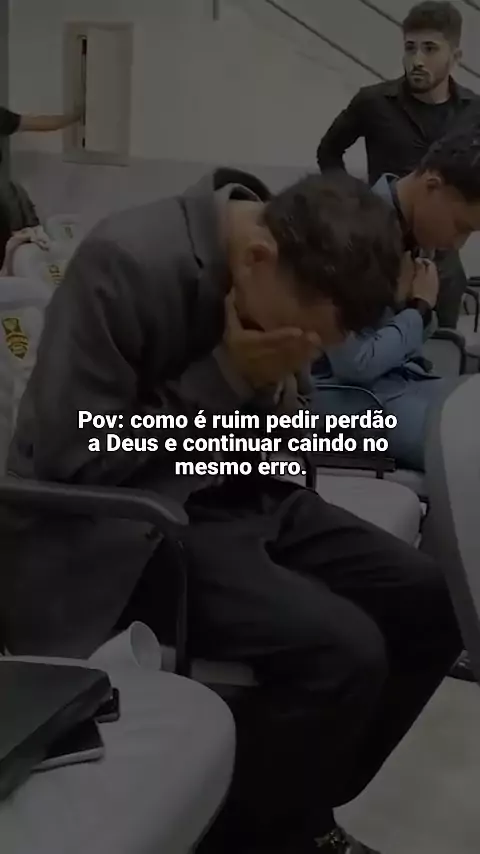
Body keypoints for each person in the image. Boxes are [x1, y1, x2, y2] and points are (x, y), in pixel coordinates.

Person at [2, 169, 461, 854]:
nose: (302, 353)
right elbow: (74, 454)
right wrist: (223, 375)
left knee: (431, 600)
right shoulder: (127, 264)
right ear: (256, 257)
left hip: (238, 488)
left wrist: (273, 395)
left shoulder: (283, 265)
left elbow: (284, 424)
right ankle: (266, 829)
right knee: (344, 651)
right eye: (298, 338)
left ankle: (295, 809)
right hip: (124, 526)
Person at [314, 125, 480, 471]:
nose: (457, 243)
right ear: (432, 186)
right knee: (468, 448)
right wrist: (418, 310)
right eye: (460, 227)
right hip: (347, 401)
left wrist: (416, 309)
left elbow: (410, 342)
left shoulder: (409, 233)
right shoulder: (349, 234)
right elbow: (356, 365)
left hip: (400, 384)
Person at [316, 1, 480, 328]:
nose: (417, 60)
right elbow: (329, 151)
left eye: (430, 48)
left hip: (444, 263)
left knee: (441, 348)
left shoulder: (474, 110)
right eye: (410, 48)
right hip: (382, 254)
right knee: (374, 341)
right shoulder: (372, 101)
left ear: (455, 57)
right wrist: (353, 206)